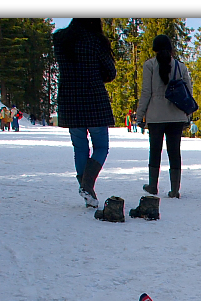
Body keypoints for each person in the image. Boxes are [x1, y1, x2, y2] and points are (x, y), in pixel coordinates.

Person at [52, 18, 118, 216]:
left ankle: (86, 188)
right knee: (101, 147)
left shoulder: (60, 39)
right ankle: (87, 185)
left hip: (70, 99)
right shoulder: (95, 40)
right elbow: (110, 72)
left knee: (80, 147)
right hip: (93, 98)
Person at [135, 34, 194, 200]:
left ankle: (153, 186)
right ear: (171, 49)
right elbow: (188, 92)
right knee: (174, 152)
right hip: (176, 115)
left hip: (155, 115)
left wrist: (140, 116)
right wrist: (188, 115)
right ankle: (175, 189)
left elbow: (146, 92)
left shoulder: (149, 66)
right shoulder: (180, 67)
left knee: (155, 150)